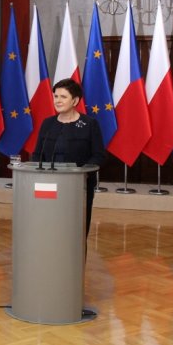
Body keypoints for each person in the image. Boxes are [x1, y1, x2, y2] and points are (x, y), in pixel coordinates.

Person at [32, 78, 106, 237]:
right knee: (48, 227)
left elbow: (98, 155)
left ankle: (75, 261)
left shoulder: (89, 124)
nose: (57, 101)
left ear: (75, 100)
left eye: (63, 97)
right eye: (55, 96)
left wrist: (82, 173)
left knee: (75, 231)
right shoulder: (48, 124)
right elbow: (37, 154)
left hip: (78, 187)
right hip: (48, 186)